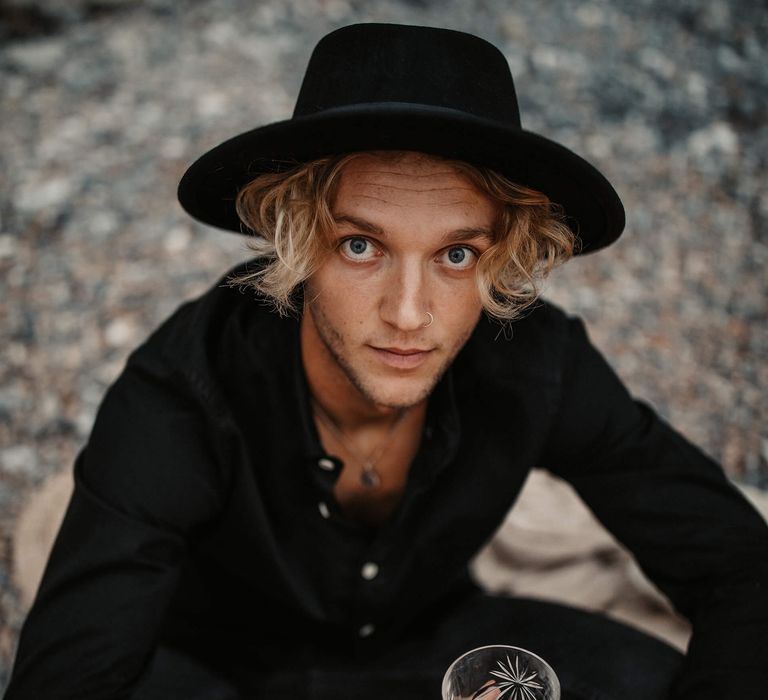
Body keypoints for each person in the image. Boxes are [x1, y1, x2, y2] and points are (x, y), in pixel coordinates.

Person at [5, 22, 768, 700]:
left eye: (457, 253)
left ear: (505, 254)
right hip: (219, 664)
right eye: (360, 245)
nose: (409, 314)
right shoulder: (182, 391)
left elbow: (740, 565)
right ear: (298, 241)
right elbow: (68, 677)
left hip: (435, 646)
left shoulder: (540, 363)